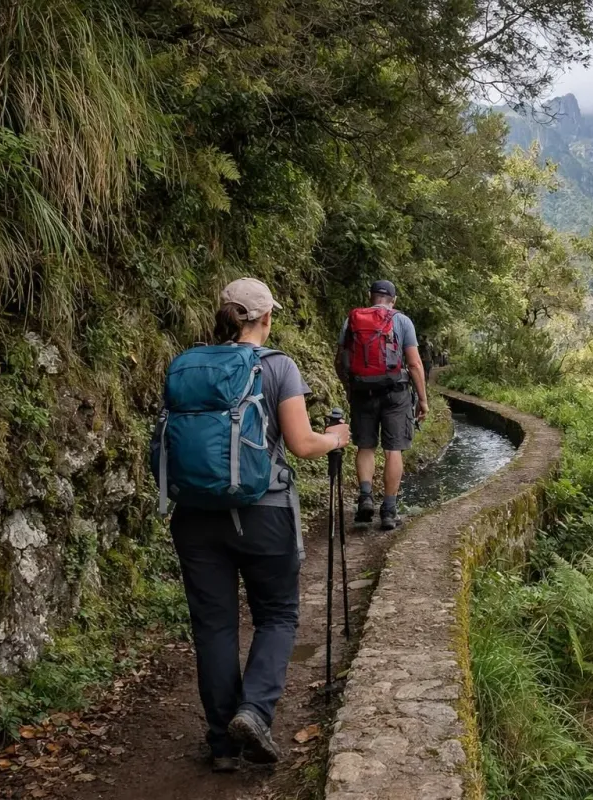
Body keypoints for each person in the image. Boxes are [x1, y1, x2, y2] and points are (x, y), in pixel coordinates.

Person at [166, 278, 350, 772]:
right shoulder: (278, 367)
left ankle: (221, 745)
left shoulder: (190, 367)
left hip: (195, 517)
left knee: (215, 626)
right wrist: (335, 438)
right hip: (263, 513)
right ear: (266, 318)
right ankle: (254, 711)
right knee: (278, 615)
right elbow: (302, 444)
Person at [335, 279, 428, 531]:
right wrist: (422, 400)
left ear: (370, 296)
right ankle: (388, 511)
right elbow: (415, 364)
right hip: (395, 393)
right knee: (393, 449)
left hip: (362, 392)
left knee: (365, 446)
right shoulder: (402, 321)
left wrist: (350, 388)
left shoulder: (351, 320)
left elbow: (340, 361)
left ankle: (365, 497)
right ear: (393, 300)